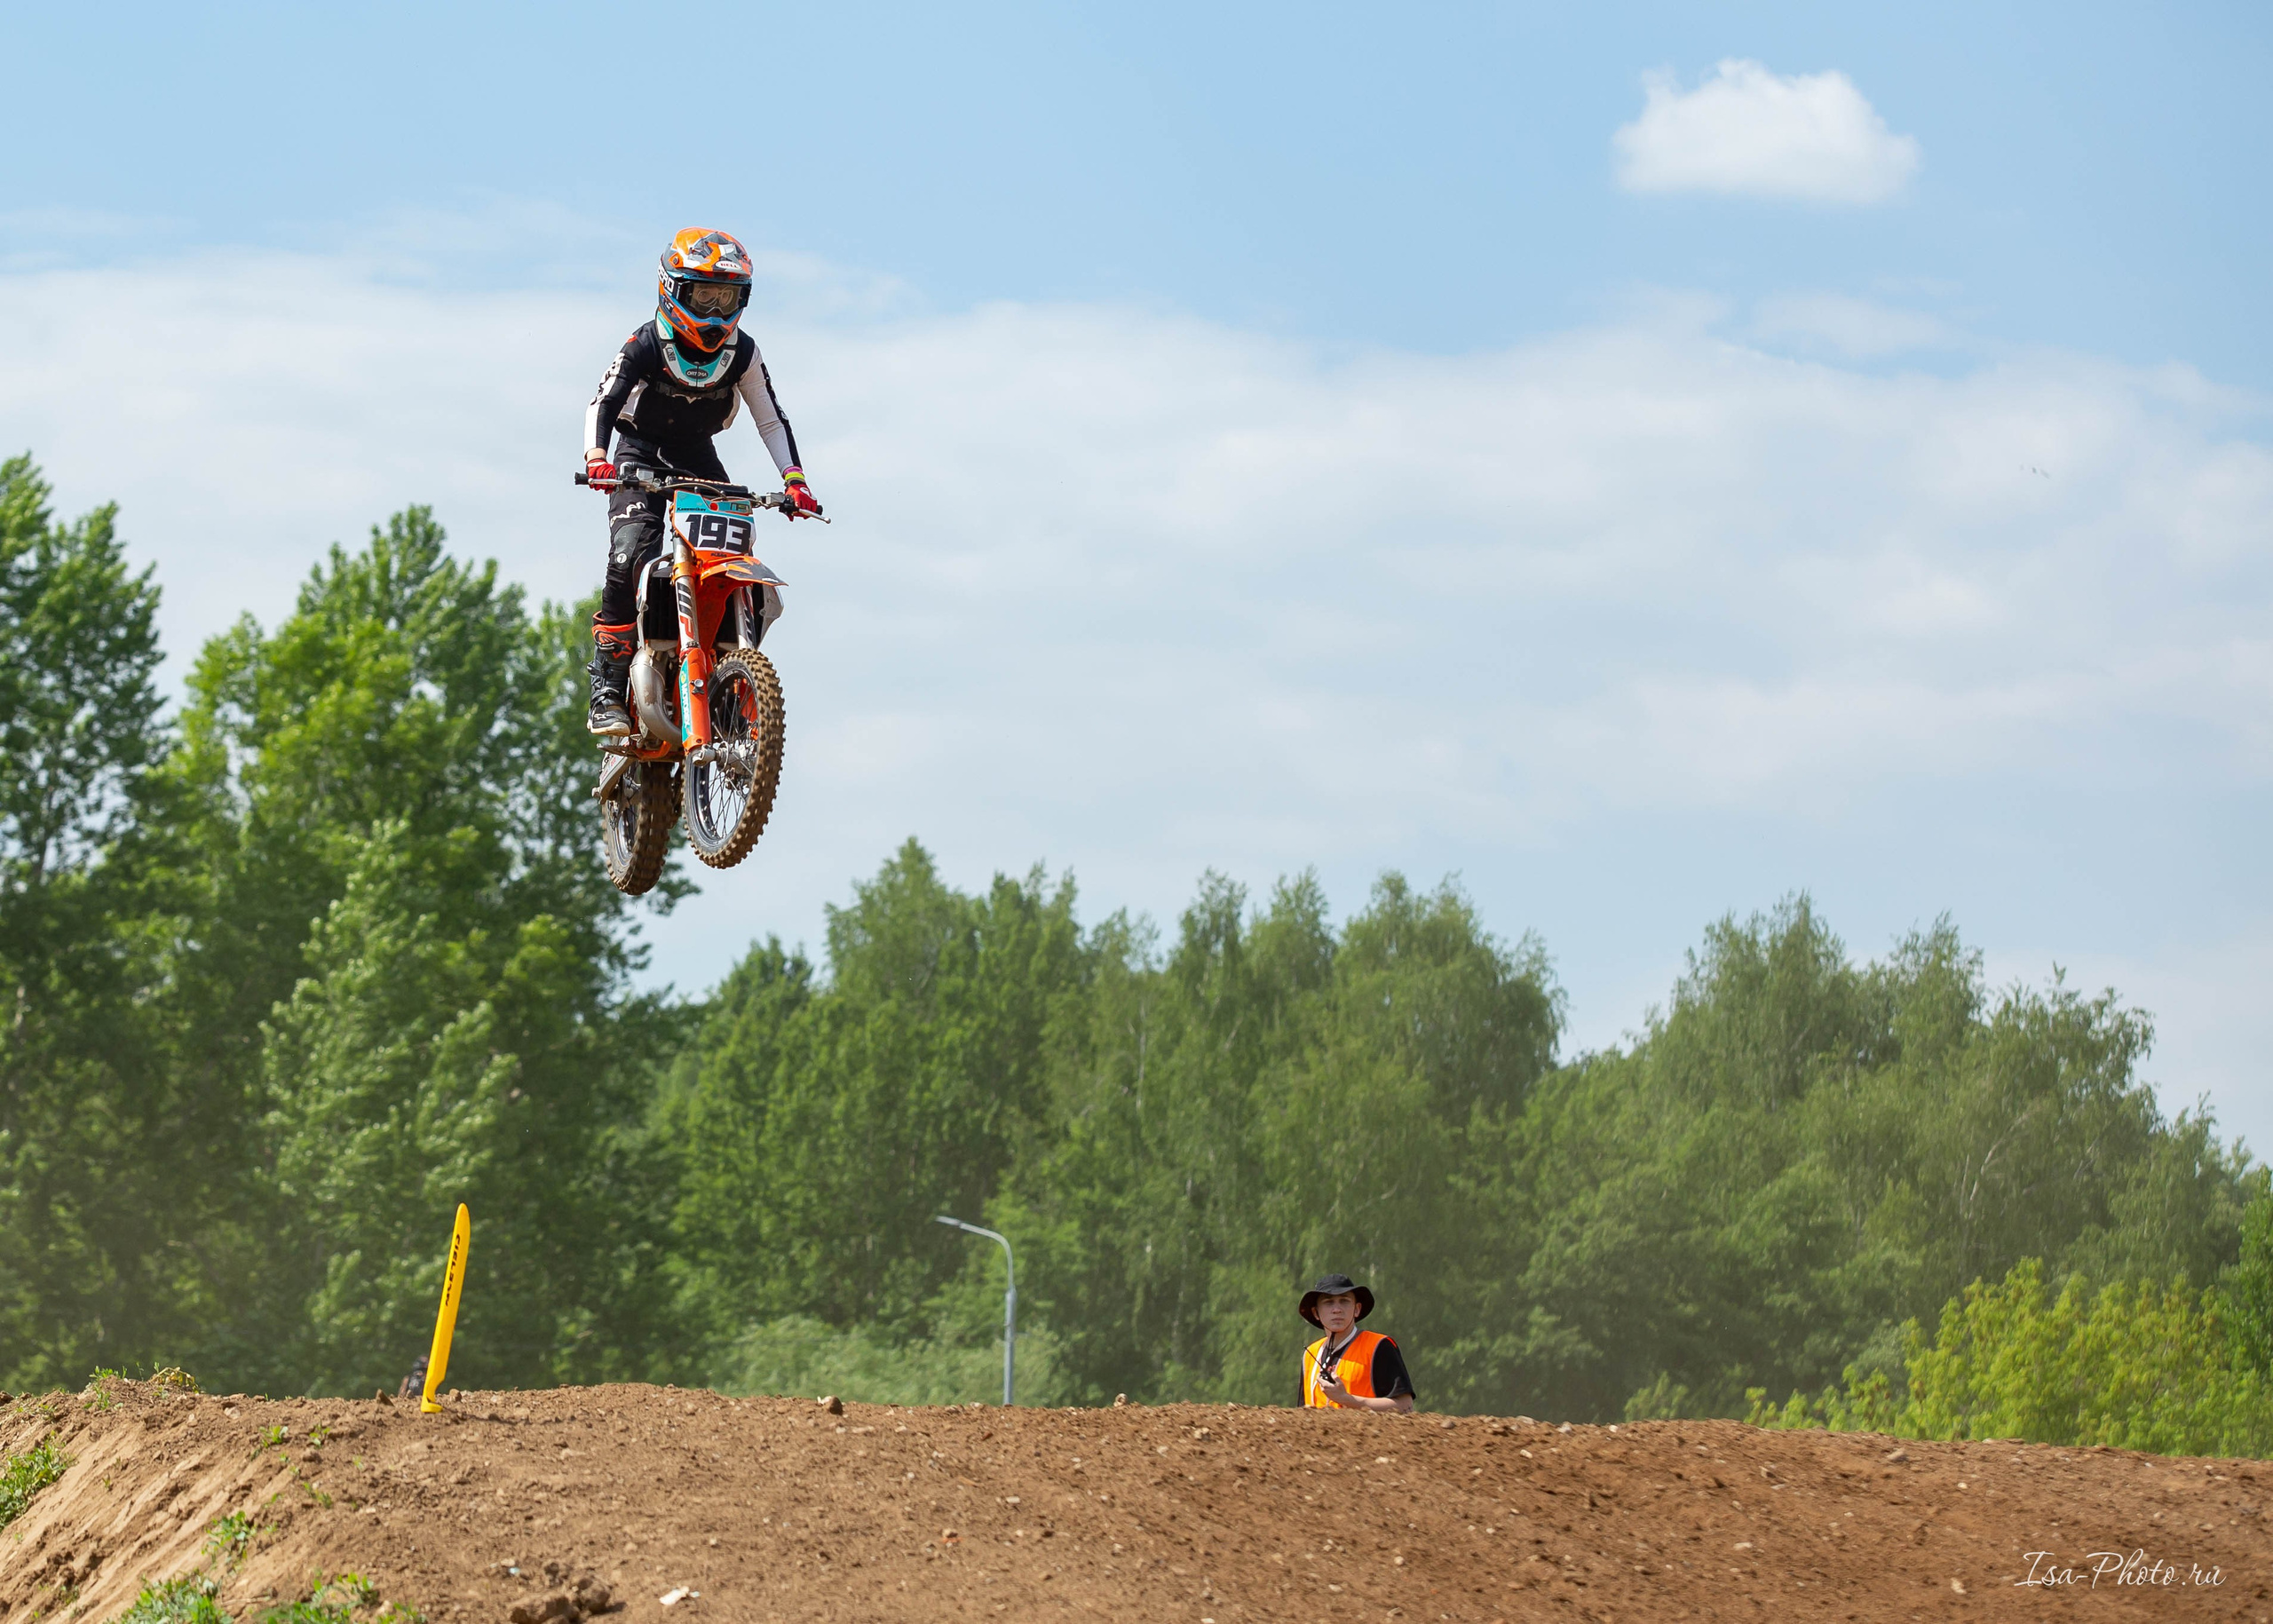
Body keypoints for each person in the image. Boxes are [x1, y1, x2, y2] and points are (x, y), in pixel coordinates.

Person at [579, 227, 823, 735]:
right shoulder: (645, 342)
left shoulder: (743, 352)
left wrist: (795, 481)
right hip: (636, 451)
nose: (715, 313)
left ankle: (730, 675)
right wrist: (598, 458)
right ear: (674, 289)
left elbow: (771, 420)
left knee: (738, 556)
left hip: (697, 457)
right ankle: (607, 685)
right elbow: (602, 401)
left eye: (727, 298)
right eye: (703, 296)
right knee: (629, 554)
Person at [1298, 1272, 1415, 1413]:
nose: (1337, 1310)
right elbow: (1302, 1414)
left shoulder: (1379, 1346)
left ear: (1357, 1309)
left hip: (1369, 1434)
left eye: (1344, 1301)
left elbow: (1405, 1406)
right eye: (1328, 1302)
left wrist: (1346, 1399)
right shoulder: (1310, 1355)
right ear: (1316, 1313)